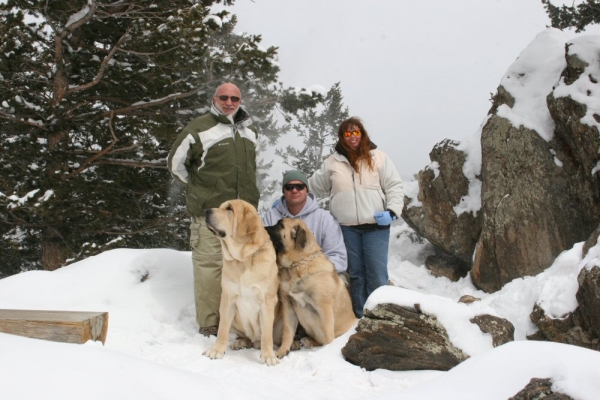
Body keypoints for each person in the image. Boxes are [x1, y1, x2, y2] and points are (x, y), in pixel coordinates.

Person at [167, 82, 259, 337]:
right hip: (210, 215)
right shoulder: (199, 129)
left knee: (240, 267)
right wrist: (201, 188)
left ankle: (239, 321)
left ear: (240, 101)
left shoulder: (250, 132)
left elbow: (251, 168)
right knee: (210, 266)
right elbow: (175, 165)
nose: (229, 102)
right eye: (224, 97)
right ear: (214, 99)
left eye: (235, 98)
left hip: (241, 217)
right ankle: (210, 323)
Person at [308, 117, 404, 318]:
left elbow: (394, 185)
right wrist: (288, 194)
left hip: (376, 227)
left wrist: (392, 212)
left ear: (362, 133)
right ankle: (360, 317)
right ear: (341, 137)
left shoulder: (378, 157)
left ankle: (379, 317)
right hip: (346, 228)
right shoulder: (332, 162)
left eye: (356, 132)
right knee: (356, 275)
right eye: (347, 134)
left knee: (377, 274)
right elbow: (313, 187)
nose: (352, 137)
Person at [262, 170, 347, 273]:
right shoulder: (271, 216)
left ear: (307, 191)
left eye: (299, 186)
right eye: (289, 187)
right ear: (283, 192)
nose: (294, 190)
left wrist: (309, 271)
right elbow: (263, 249)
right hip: (281, 274)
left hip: (316, 274)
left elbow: (337, 257)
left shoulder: (324, 218)